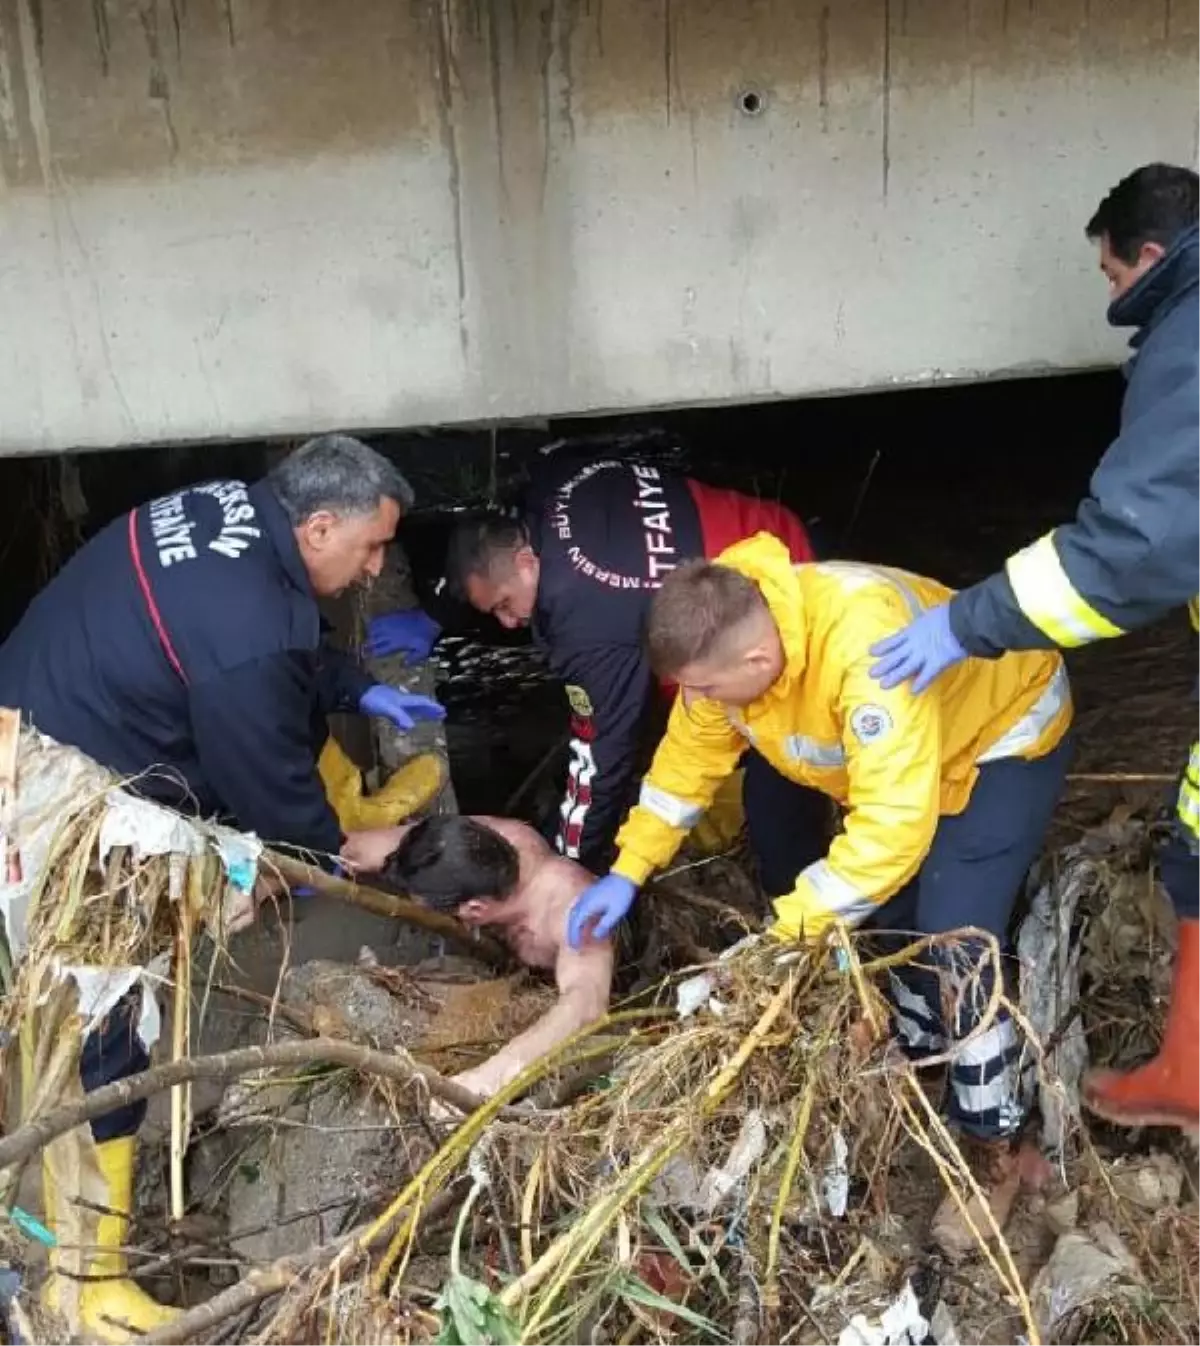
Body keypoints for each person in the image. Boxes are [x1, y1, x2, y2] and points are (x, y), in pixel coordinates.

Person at [0, 433, 445, 1339]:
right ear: (318, 525)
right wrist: (328, 856)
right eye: (369, 548)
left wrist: (356, 688)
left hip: (28, 724)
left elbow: (264, 648)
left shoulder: (229, 511)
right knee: (107, 1022)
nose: (374, 572)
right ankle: (84, 1285)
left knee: (58, 1018)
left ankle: (50, 1238)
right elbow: (268, 782)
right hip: (64, 804)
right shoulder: (250, 631)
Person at [565, 536, 1072, 1252]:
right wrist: (629, 868)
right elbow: (686, 763)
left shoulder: (862, 650)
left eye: (704, 689)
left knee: (959, 936)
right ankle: (925, 1056)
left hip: (1000, 736)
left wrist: (785, 931)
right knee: (891, 918)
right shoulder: (727, 643)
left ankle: (994, 1153)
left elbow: (892, 833)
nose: (697, 702)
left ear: (757, 663)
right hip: (909, 765)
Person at [867, 163, 1200, 1134]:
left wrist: (969, 622)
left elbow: (1134, 547)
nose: (1112, 300)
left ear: (1148, 255)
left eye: (1109, 278)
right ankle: (1186, 1070)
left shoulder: (1189, 338)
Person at [430, 451, 829, 899]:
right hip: (774, 535)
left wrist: (570, 864)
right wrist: (435, 616)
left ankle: (805, 914)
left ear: (526, 562)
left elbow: (603, 759)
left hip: (773, 638)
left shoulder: (587, 626)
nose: (507, 623)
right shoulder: (552, 478)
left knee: (777, 810)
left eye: (504, 604)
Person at [343, 813, 610, 1104]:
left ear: (474, 910)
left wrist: (491, 1077)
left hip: (575, 978)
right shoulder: (491, 838)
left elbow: (587, 1002)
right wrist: (340, 852)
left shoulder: (575, 913)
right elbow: (395, 843)